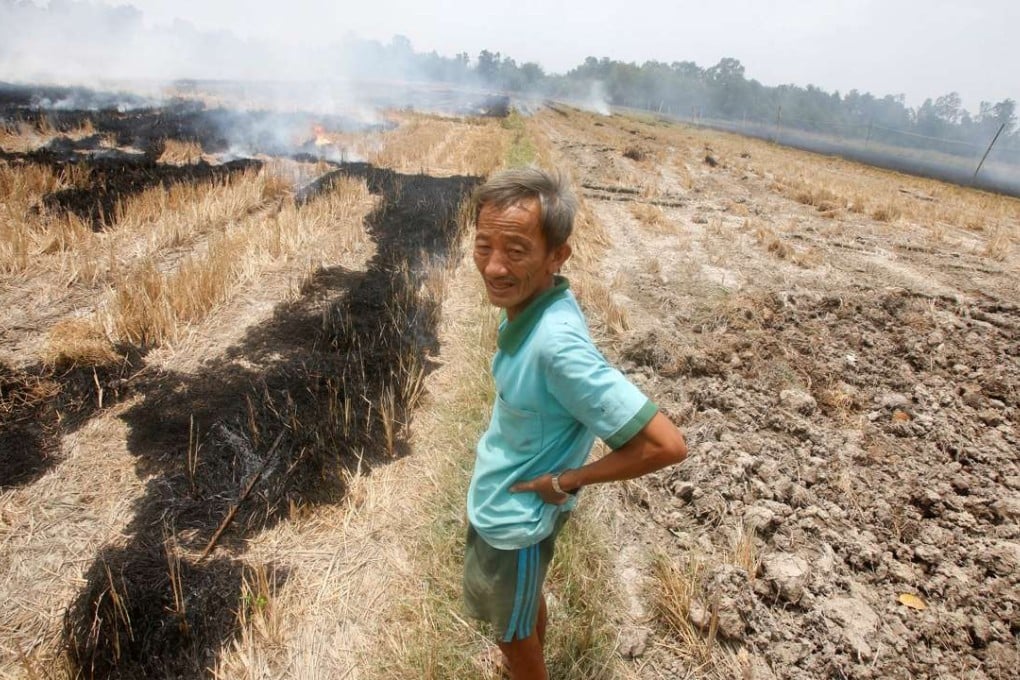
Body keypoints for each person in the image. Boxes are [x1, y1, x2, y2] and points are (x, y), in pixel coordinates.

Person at [463, 167, 688, 679]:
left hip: (514, 522)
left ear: (557, 255)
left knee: (512, 634)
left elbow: (666, 445)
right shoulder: (534, 301)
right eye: (483, 246)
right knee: (518, 610)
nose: (494, 267)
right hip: (502, 500)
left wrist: (567, 480)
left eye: (516, 250)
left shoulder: (558, 345)